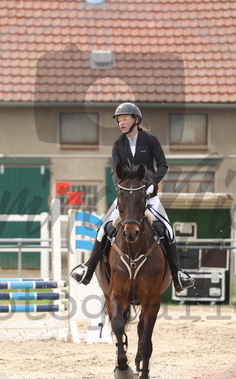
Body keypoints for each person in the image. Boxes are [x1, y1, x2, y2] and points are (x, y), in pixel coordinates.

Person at [70, 102, 195, 293]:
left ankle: (178, 276)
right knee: (103, 229)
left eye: (125, 119)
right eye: (119, 120)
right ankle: (88, 268)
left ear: (136, 120)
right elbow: (115, 172)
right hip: (126, 199)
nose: (121, 123)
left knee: (168, 230)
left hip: (150, 198)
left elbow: (163, 165)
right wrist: (122, 190)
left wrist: (152, 182)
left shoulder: (150, 141)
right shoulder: (118, 145)